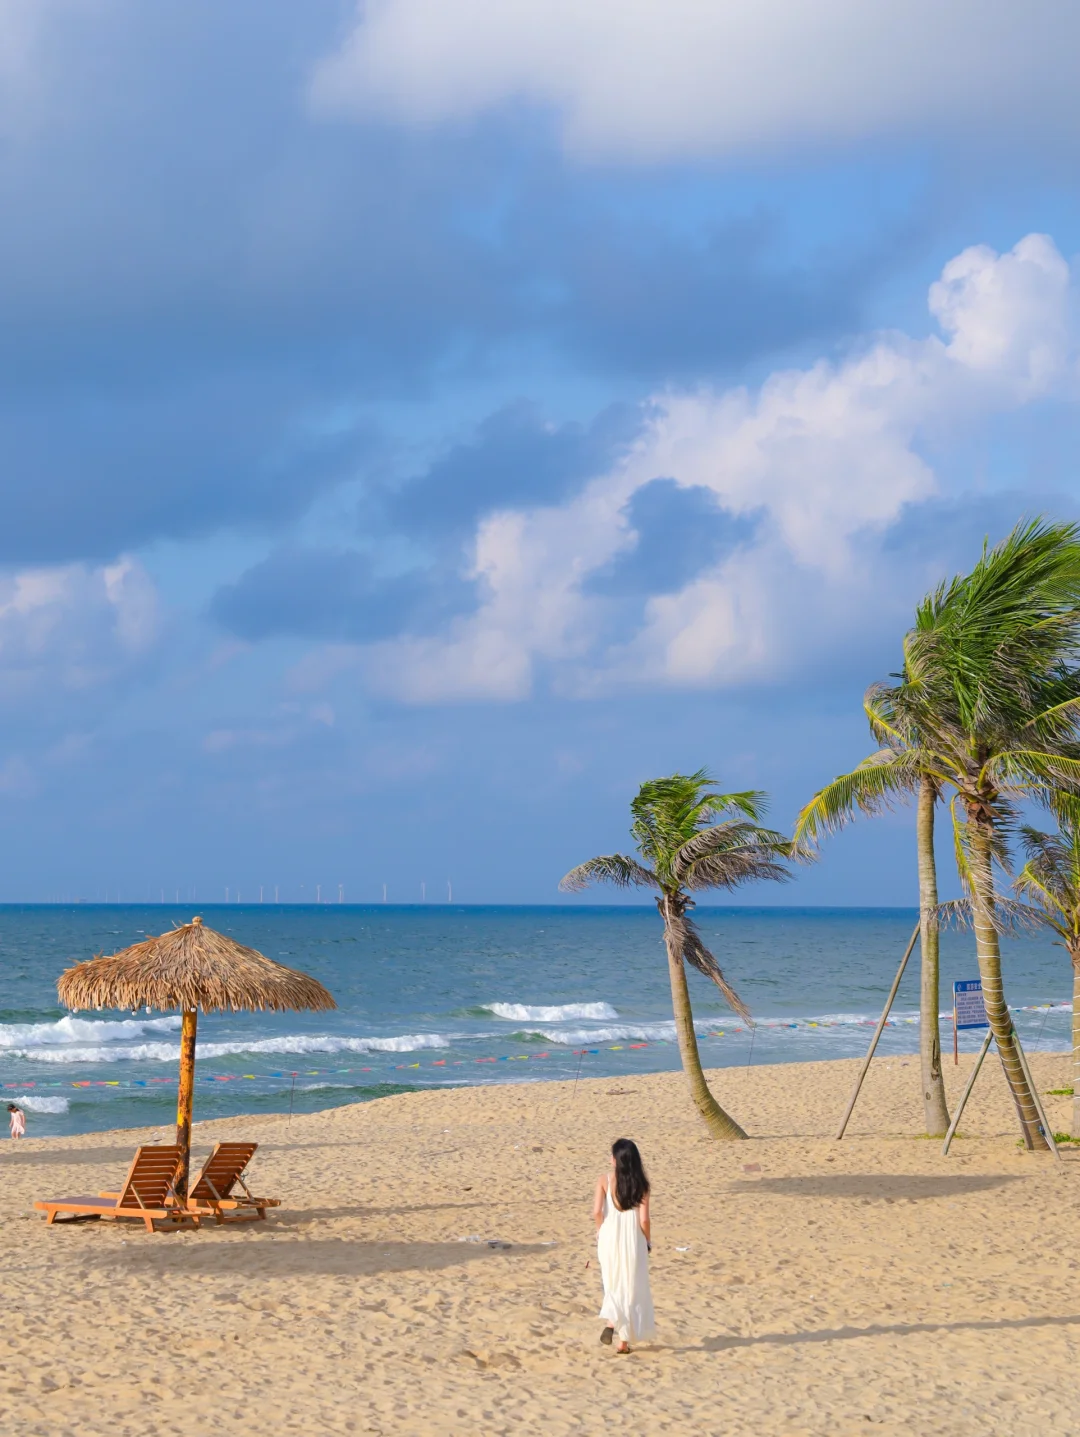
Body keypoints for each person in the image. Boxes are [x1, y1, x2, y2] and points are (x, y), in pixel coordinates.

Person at [593, 1137, 655, 1353]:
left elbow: (597, 1212)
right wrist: (647, 1240)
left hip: (609, 1237)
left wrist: (600, 1232)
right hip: (632, 1239)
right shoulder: (643, 1185)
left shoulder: (604, 1180)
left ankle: (612, 1322)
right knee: (631, 1286)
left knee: (612, 1282)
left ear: (615, 1160)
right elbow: (644, 1220)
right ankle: (622, 1342)